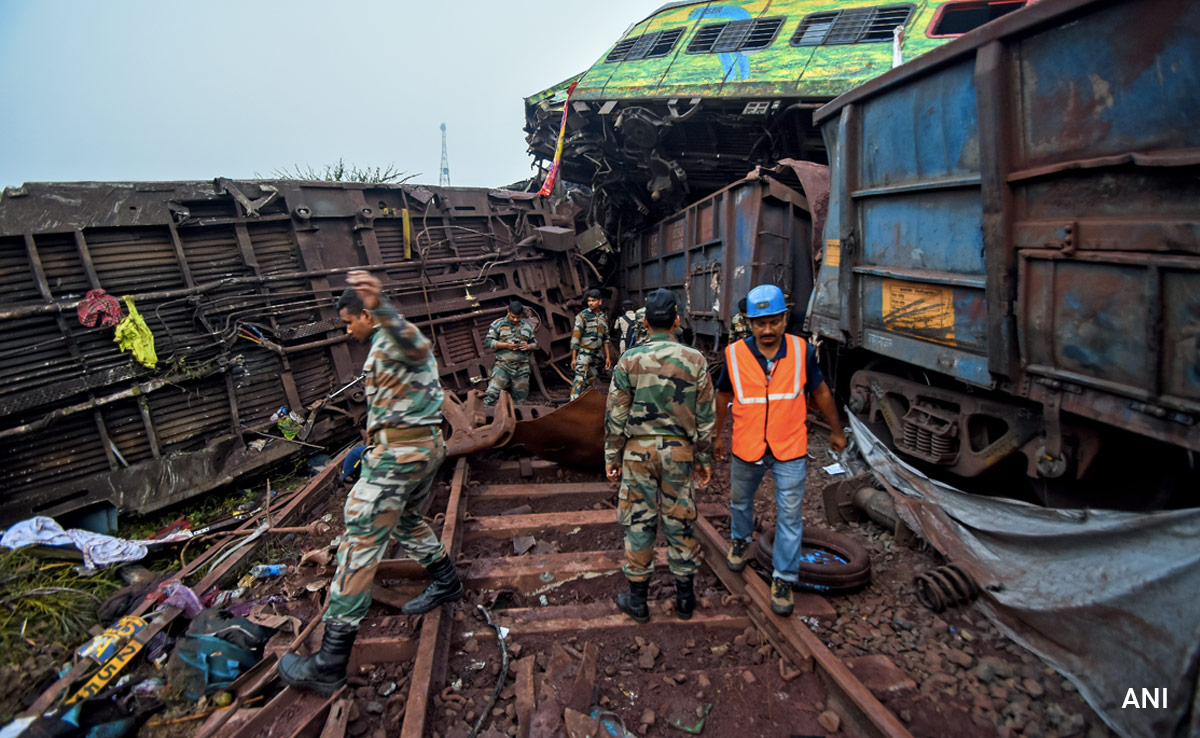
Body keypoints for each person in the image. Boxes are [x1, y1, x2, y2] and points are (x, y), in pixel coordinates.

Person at [279, 270, 464, 695]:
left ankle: (329, 663)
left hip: (399, 457)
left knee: (360, 541)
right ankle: (446, 580)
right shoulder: (383, 344)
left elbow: (418, 346)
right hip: (420, 448)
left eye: (350, 322)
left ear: (366, 314)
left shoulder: (395, 336)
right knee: (406, 520)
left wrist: (381, 306)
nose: (348, 330)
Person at [713, 284, 846, 617]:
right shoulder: (735, 355)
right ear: (749, 323)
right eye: (760, 323)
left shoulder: (802, 352)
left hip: (789, 446)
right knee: (740, 502)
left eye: (774, 321)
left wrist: (836, 429)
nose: (768, 330)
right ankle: (740, 540)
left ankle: (784, 578)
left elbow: (821, 392)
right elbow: (722, 396)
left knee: (789, 516)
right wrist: (716, 435)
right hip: (748, 445)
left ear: (785, 319)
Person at [605, 288, 715, 623]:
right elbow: (705, 417)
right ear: (676, 321)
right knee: (680, 520)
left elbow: (616, 416)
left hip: (637, 452)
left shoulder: (629, 360)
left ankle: (638, 602)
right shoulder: (695, 360)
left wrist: (612, 456)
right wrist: (703, 459)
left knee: (639, 521)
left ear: (645, 323)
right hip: (679, 452)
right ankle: (684, 601)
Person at [483, 301, 536, 405]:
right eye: (513, 317)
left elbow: (535, 344)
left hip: (522, 368)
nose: (515, 320)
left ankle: (515, 414)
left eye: (518, 317)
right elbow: (488, 342)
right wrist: (506, 345)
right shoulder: (498, 324)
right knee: (491, 395)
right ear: (508, 312)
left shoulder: (526, 326)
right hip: (503, 366)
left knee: (520, 399)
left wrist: (528, 346)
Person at [569, 289, 612, 400]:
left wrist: (608, 357)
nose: (591, 303)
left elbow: (606, 338)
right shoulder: (582, 316)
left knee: (591, 381)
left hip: (596, 355)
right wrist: (574, 358)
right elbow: (575, 337)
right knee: (579, 380)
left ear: (600, 302)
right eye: (589, 301)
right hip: (584, 353)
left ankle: (585, 405)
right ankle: (572, 405)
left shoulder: (603, 317)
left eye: (593, 301)